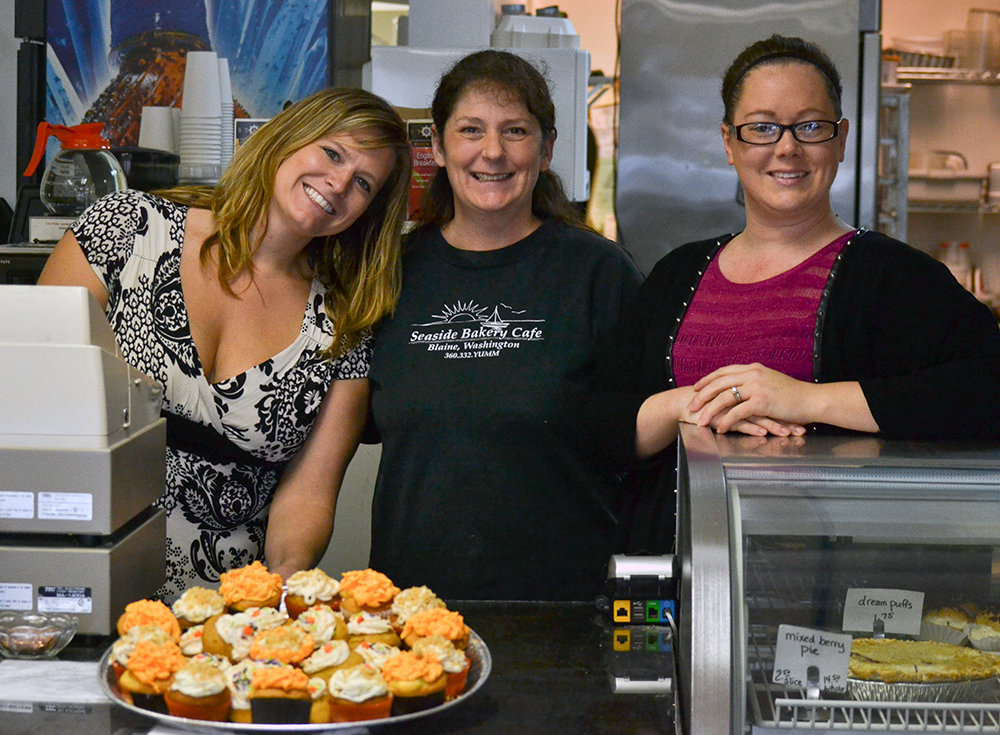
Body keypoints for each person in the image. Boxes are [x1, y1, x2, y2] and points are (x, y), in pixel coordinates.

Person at [579, 35, 1000, 554]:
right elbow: (597, 423)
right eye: (761, 128)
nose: (786, 147)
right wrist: (686, 403)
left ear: (841, 140)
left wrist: (807, 399)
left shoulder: (895, 277)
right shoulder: (677, 273)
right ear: (729, 144)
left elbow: (986, 388)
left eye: (810, 126)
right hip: (677, 580)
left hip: (831, 592)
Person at [38, 87, 411, 600]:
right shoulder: (124, 229)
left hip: (226, 613)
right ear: (288, 138)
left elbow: (308, 493)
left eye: (364, 183)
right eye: (333, 153)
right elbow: (31, 406)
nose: (339, 183)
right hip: (77, 571)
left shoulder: (344, 323)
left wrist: (277, 592)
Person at [366, 49, 642, 601]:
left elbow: (644, 435)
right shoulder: (387, 271)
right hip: (412, 608)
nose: (492, 152)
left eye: (515, 131)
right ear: (439, 148)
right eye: (471, 130)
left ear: (546, 151)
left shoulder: (598, 273)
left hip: (565, 605)